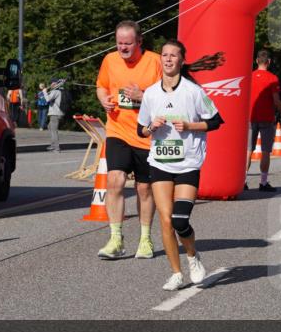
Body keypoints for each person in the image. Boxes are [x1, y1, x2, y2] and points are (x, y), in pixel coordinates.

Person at [138, 40, 224, 290]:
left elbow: (216, 121)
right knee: (165, 220)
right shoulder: (151, 93)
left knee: (179, 220)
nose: (168, 59)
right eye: (164, 55)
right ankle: (176, 273)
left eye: (173, 56)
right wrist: (150, 127)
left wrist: (189, 126)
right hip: (160, 162)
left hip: (187, 163)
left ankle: (192, 256)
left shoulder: (194, 92)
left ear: (182, 60)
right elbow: (140, 130)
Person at [95, 20, 162, 260]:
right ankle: (116, 239)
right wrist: (103, 99)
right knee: (115, 180)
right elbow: (101, 86)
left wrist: (142, 96)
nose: (122, 48)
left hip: (146, 134)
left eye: (128, 44)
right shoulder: (110, 61)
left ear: (139, 42)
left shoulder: (155, 62)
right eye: (119, 43)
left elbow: (168, 97)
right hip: (117, 130)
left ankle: (145, 239)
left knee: (144, 188)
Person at [246, 49, 281, 192]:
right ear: (269, 62)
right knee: (265, 151)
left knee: (248, 150)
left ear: (256, 61)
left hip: (250, 117)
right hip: (267, 118)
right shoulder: (272, 78)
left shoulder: (249, 77)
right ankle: (263, 182)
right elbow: (276, 101)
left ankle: (242, 181)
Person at [44, 79, 65, 152]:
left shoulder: (55, 91)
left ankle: (56, 148)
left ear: (56, 84)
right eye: (51, 83)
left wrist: (44, 92)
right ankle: (53, 145)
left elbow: (47, 99)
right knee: (50, 127)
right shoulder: (58, 91)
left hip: (55, 114)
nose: (52, 85)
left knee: (54, 131)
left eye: (53, 83)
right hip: (56, 113)